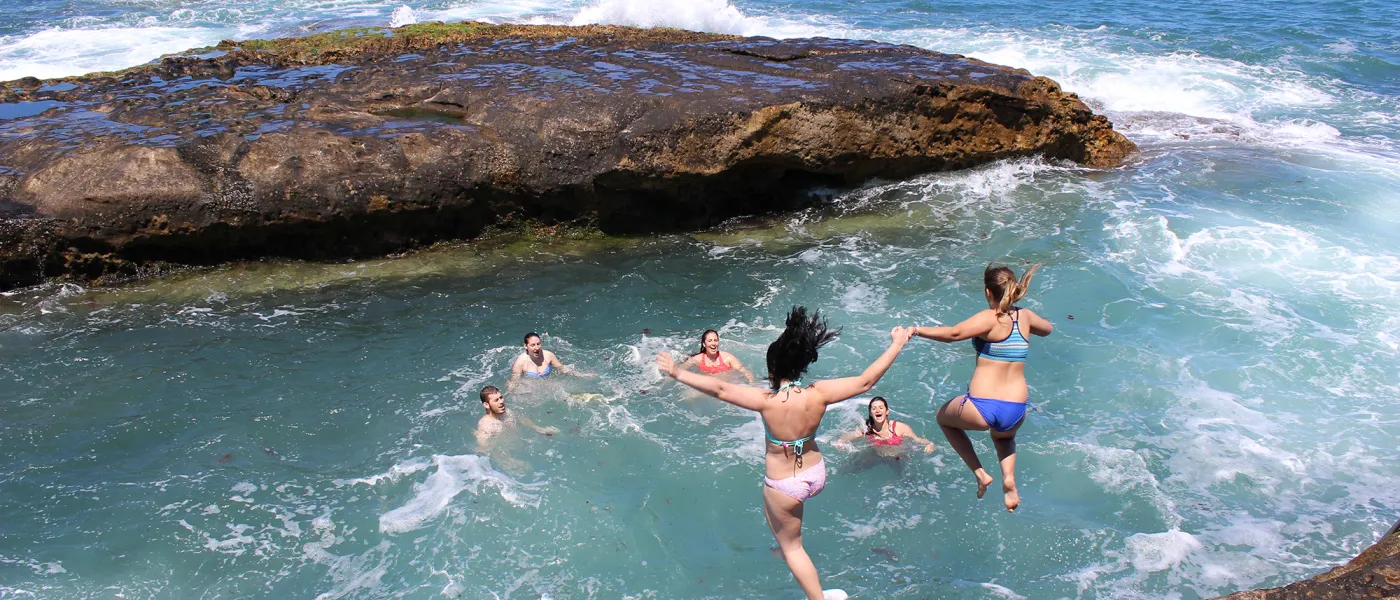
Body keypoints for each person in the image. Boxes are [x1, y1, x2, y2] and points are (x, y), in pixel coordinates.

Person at [657, 307, 912, 600]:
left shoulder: (768, 401)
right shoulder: (819, 393)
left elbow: (720, 389)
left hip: (785, 483)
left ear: (772, 369)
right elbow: (866, 381)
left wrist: (677, 372)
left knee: (792, 545)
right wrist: (896, 344)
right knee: (780, 522)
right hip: (815, 473)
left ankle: (812, 589)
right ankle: (785, 547)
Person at [911, 264, 1053, 512]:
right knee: (1003, 437)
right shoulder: (1025, 317)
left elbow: (954, 333)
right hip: (1016, 409)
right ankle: (1009, 479)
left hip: (981, 405)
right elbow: (1048, 329)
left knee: (943, 419)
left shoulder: (990, 318)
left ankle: (980, 473)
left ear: (988, 292)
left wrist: (917, 330)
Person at [835, 397, 937, 457]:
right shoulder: (867, 429)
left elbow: (918, 440)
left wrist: (930, 444)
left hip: (898, 457)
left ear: (887, 411)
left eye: (881, 407)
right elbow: (849, 436)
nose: (878, 411)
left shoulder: (900, 428)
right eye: (874, 408)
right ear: (870, 413)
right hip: (877, 456)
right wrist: (840, 442)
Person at [475, 385, 560, 450]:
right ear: (486, 405)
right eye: (496, 400)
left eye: (501, 397)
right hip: (508, 453)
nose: (501, 402)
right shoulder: (486, 426)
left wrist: (538, 428)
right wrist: (509, 460)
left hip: (523, 445)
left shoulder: (507, 412)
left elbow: (521, 419)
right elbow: (486, 448)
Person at [510, 332, 595, 387]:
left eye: (538, 344)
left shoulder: (548, 355)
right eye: (533, 345)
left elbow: (562, 368)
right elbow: (514, 381)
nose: (537, 348)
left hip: (549, 385)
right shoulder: (521, 362)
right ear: (525, 346)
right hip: (531, 388)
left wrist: (581, 375)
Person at [681, 329, 756, 384]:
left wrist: (751, 383)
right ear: (704, 344)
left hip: (728, 385)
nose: (713, 343)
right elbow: (679, 370)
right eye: (710, 341)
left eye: (715, 340)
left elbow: (745, 372)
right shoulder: (697, 359)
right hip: (708, 385)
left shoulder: (728, 358)